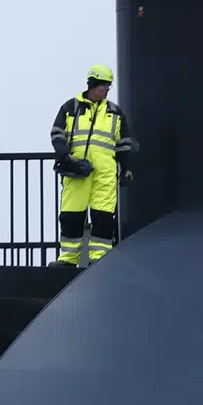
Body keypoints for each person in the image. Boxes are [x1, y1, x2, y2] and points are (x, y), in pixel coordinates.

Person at [49, 65, 137, 267]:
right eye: (103, 86)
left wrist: (127, 168)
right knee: (71, 216)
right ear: (92, 85)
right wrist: (63, 154)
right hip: (76, 171)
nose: (106, 90)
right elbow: (57, 133)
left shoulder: (115, 113)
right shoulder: (70, 108)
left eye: (108, 87)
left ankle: (99, 259)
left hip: (105, 174)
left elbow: (124, 144)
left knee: (103, 216)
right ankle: (68, 259)